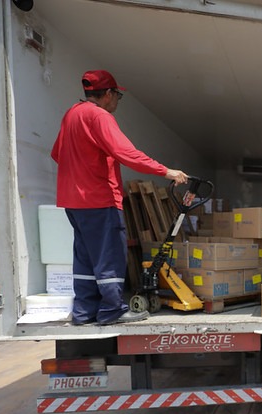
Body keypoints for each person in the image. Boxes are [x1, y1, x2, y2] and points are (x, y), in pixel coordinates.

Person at [52, 70, 189, 325]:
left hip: (73, 202)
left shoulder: (72, 114)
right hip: (99, 199)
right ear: (108, 94)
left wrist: (84, 168)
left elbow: (57, 153)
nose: (117, 101)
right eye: (118, 95)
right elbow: (126, 153)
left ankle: (84, 313)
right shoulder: (99, 116)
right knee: (109, 256)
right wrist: (166, 171)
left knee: (85, 258)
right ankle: (112, 310)